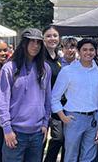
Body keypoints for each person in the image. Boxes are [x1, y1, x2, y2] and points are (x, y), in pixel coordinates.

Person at [0, 28, 52, 162]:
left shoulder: (45, 68)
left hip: (38, 133)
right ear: (23, 43)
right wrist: (7, 129)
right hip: (15, 132)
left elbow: (47, 99)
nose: (35, 46)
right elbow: (1, 100)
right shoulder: (9, 68)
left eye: (38, 42)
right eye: (31, 42)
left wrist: (45, 123)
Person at [51, 38, 98, 162]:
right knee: (70, 156)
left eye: (91, 50)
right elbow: (54, 97)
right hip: (74, 119)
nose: (88, 53)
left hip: (93, 119)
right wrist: (63, 117)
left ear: (95, 51)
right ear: (79, 51)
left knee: (90, 157)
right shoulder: (67, 71)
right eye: (85, 50)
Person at [42, 27, 66, 162]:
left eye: (55, 36)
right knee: (41, 142)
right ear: (43, 38)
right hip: (42, 106)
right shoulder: (40, 59)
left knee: (58, 138)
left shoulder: (58, 59)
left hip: (57, 106)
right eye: (49, 36)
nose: (52, 38)